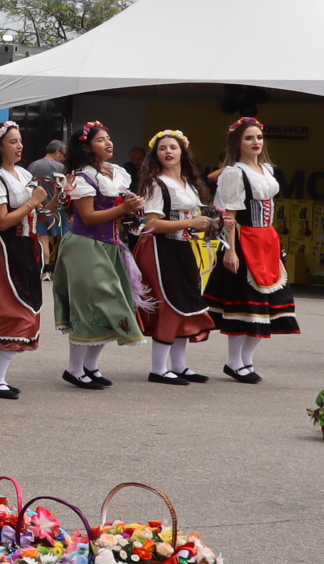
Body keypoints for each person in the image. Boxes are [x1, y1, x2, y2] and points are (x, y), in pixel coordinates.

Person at [49, 120, 145, 388]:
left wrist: (133, 209)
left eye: (108, 138)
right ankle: (74, 368)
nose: (108, 142)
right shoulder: (82, 177)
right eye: (101, 139)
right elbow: (89, 217)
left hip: (111, 246)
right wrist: (124, 209)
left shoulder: (115, 173)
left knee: (112, 303)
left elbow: (117, 212)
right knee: (90, 305)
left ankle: (90, 365)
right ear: (87, 147)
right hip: (85, 245)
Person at [206, 116, 300, 380]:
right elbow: (230, 216)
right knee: (245, 304)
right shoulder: (235, 173)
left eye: (258, 137)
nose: (256, 142)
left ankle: (246, 359)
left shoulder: (267, 169)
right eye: (249, 138)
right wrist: (230, 250)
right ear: (237, 142)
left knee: (271, 303)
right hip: (245, 239)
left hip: (267, 239)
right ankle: (234, 361)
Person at [132, 129, 216, 385]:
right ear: (155, 155)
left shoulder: (189, 184)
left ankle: (179, 365)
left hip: (183, 248)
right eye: (162, 148)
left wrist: (212, 225)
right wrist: (191, 221)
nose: (168, 151)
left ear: (183, 152)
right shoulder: (156, 184)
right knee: (169, 302)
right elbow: (150, 225)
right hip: (160, 248)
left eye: (173, 147)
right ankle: (158, 368)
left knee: (185, 303)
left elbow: (190, 222)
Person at [0, 119, 53, 399]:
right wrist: (32, 202)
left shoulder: (22, 173)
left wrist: (52, 199)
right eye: (12, 141)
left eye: (20, 140)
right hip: (8, 249)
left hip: (27, 247)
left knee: (28, 309)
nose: (20, 146)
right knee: (16, 313)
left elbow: (39, 213)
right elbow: (3, 221)